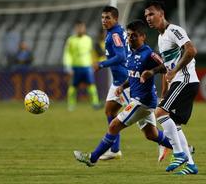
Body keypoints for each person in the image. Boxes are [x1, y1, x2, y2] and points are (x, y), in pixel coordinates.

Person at [73, 19, 174, 168]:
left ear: (143, 37)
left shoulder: (149, 54)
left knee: (114, 126)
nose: (130, 39)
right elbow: (133, 75)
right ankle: (184, 149)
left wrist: (151, 72)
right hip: (139, 100)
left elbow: (165, 66)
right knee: (151, 134)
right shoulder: (131, 54)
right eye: (128, 35)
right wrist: (123, 85)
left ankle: (92, 158)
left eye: (134, 36)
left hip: (143, 102)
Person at [141, 1, 200, 175]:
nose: (148, 18)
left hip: (186, 80)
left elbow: (191, 50)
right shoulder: (161, 37)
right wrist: (161, 84)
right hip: (179, 81)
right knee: (174, 123)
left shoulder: (174, 30)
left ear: (161, 14)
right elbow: (167, 67)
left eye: (151, 14)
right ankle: (190, 165)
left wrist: (175, 70)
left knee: (159, 114)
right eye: (146, 16)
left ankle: (179, 153)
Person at [92, 6, 130, 160]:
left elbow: (120, 56)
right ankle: (114, 150)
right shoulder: (116, 32)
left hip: (125, 82)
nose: (104, 20)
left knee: (146, 124)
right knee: (109, 112)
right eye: (102, 17)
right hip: (117, 82)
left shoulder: (115, 34)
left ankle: (173, 144)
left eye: (107, 18)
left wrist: (101, 64)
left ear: (116, 19)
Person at [63, 20, 101, 111]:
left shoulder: (88, 39)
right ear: (76, 29)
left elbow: (92, 53)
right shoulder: (71, 40)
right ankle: (71, 105)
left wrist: (94, 63)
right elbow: (67, 54)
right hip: (75, 67)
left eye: (82, 27)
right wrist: (68, 66)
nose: (80, 29)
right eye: (78, 27)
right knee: (73, 87)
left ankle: (95, 103)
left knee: (91, 86)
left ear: (84, 28)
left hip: (87, 67)